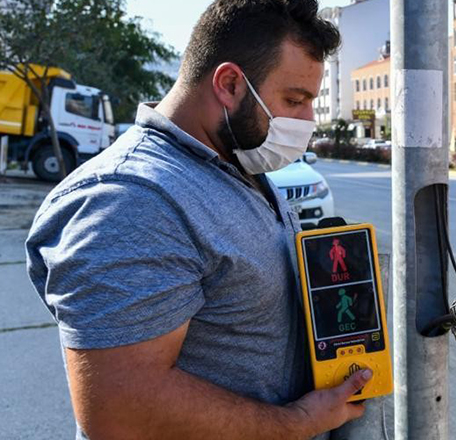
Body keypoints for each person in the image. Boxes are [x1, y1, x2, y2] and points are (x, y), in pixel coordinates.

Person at [25, 1, 371, 438]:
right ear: (229, 84)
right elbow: (119, 411)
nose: (308, 121)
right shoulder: (131, 199)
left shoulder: (238, 164)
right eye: (295, 100)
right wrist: (296, 423)